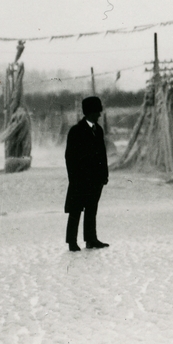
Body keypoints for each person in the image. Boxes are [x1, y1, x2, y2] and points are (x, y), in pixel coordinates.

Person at [64, 96, 109, 252]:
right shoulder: (76, 131)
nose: (99, 114)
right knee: (75, 210)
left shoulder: (99, 130)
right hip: (80, 179)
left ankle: (91, 239)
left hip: (96, 179)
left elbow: (102, 155)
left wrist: (104, 175)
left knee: (91, 209)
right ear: (90, 112)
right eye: (97, 111)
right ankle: (72, 242)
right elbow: (69, 157)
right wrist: (74, 178)